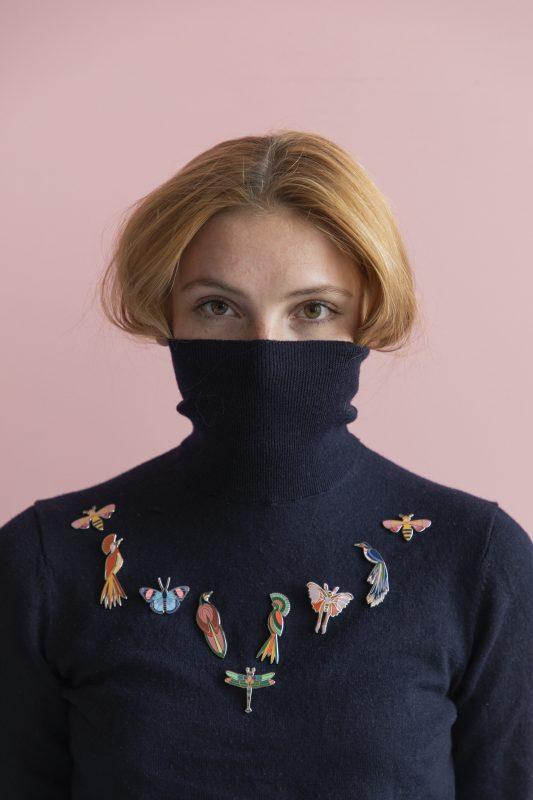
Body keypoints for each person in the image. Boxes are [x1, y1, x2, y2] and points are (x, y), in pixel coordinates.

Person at [1, 130, 531, 799]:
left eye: (313, 309)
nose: (263, 347)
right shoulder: (49, 563)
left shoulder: (475, 561)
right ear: (166, 313)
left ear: (365, 316)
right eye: (217, 306)